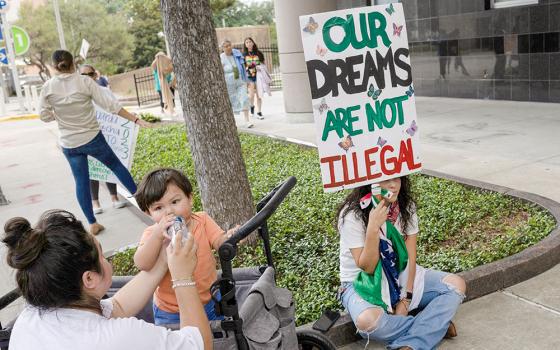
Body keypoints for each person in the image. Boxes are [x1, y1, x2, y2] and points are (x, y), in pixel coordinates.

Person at [3, 209, 213, 349]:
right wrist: (182, 276)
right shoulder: (119, 338)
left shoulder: (31, 317)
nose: (106, 260)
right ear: (89, 279)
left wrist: (163, 262)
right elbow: (199, 344)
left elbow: (117, 307)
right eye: (102, 255)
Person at [337, 176, 466, 350]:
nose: (392, 185)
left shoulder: (406, 206)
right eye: (384, 180)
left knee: (455, 285)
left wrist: (406, 300)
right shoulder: (353, 214)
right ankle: (435, 327)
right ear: (370, 183)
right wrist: (373, 227)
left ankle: (414, 341)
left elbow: (411, 257)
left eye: (396, 178)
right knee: (367, 323)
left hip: (400, 275)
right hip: (362, 282)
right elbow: (367, 267)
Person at [39, 50, 151, 235]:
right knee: (117, 166)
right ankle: (145, 206)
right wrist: (137, 120)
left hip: (70, 143)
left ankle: (92, 223)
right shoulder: (85, 82)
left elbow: (43, 115)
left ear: (53, 66)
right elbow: (111, 106)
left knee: (80, 181)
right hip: (92, 138)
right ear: (73, 64)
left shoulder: (48, 87)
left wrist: (59, 116)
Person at [134, 168, 238, 326]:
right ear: (149, 213)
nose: (169, 211)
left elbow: (220, 242)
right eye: (158, 208)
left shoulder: (202, 221)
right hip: (171, 311)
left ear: (190, 199)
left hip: (209, 301)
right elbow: (142, 263)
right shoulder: (151, 235)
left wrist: (230, 238)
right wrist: (157, 236)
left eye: (175, 202)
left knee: (218, 338)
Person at [79, 64, 128, 214]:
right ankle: (95, 202)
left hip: (108, 134)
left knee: (108, 167)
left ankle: (114, 197)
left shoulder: (106, 91)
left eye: (90, 74)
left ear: (96, 75)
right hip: (88, 136)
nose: (88, 77)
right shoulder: (79, 95)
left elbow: (116, 109)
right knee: (92, 169)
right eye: (83, 75)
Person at [220, 39, 252, 128]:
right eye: (225, 46)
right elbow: (220, 72)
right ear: (222, 48)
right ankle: (233, 123)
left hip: (240, 81)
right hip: (229, 83)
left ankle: (247, 121)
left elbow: (242, 67)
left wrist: (246, 80)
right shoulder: (221, 57)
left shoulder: (237, 55)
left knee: (244, 99)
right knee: (232, 102)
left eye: (229, 45)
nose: (228, 48)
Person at [243, 37, 265, 120]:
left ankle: (259, 112)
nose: (248, 43)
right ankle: (252, 106)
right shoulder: (244, 55)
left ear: (253, 43)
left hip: (258, 76)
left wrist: (260, 67)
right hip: (249, 77)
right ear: (245, 45)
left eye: (250, 42)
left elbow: (263, 63)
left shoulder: (258, 53)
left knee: (259, 95)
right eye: (247, 42)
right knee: (251, 95)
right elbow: (243, 67)